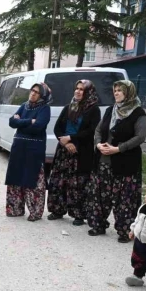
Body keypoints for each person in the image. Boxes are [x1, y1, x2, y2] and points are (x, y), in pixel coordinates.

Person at [87, 80, 146, 243]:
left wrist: (118, 149)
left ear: (129, 93)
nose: (116, 93)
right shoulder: (109, 110)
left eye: (120, 90)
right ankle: (98, 225)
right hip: (103, 160)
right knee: (100, 195)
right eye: (115, 90)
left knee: (124, 198)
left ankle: (124, 230)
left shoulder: (138, 113)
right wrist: (98, 144)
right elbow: (99, 130)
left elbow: (140, 137)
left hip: (125, 162)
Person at [47, 80, 101, 225]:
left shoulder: (93, 109)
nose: (77, 91)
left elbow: (91, 131)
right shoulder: (68, 107)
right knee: (58, 182)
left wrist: (72, 139)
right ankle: (57, 210)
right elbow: (57, 128)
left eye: (81, 89)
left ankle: (78, 214)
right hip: (64, 151)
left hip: (81, 152)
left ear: (88, 92)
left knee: (78, 184)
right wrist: (66, 142)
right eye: (76, 88)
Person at [5, 82, 52, 221]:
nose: (32, 93)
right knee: (15, 177)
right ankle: (15, 209)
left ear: (42, 95)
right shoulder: (23, 105)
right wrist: (29, 121)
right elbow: (11, 122)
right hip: (18, 147)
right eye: (32, 90)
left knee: (33, 179)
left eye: (37, 92)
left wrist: (22, 122)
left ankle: (35, 212)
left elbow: (38, 127)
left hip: (34, 150)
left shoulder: (45, 108)